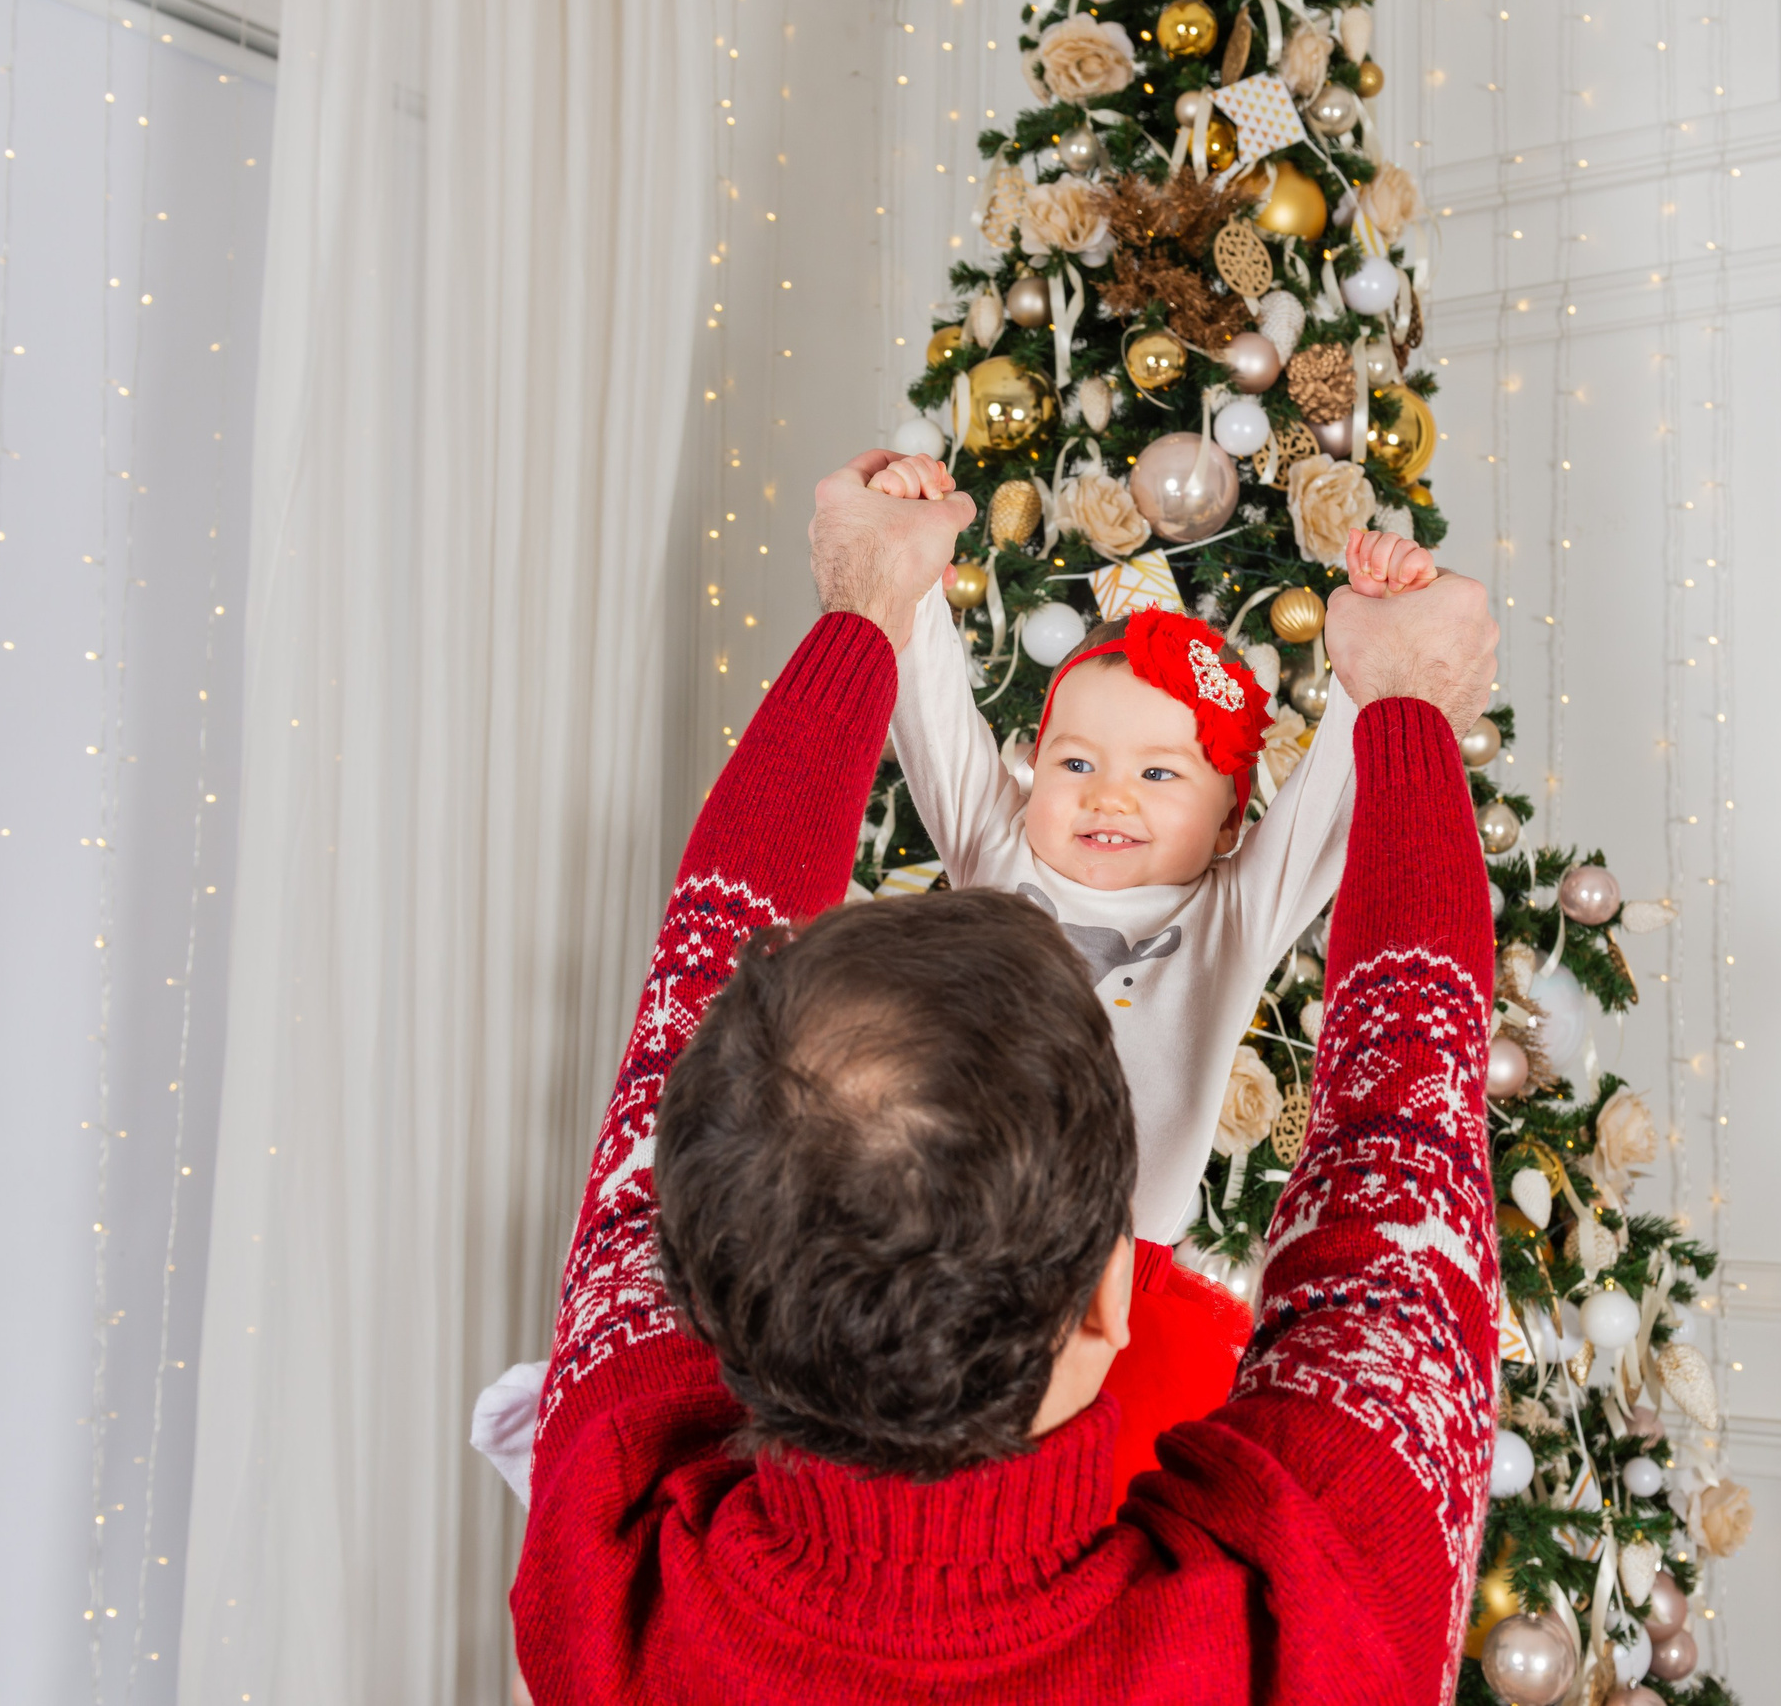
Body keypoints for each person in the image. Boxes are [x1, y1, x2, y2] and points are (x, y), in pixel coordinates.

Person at [510, 449, 1501, 1704]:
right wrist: (1407, 704)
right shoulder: (1299, 1622)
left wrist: (869, 602)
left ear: (707, 1257)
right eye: (1079, 762)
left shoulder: (606, 1583)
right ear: (1104, 1299)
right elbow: (1399, 1215)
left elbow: (698, 984)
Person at [860, 452, 1445, 1491]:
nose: (1107, 797)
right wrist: (908, 553)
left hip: (1126, 1303)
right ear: (1032, 773)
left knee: (1112, 1543)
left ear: (1230, 822)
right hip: (943, 1254)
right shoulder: (995, 853)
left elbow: (1331, 801)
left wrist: (1378, 642)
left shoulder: (1229, 910)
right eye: (1076, 763)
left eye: (1159, 773)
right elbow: (931, 703)